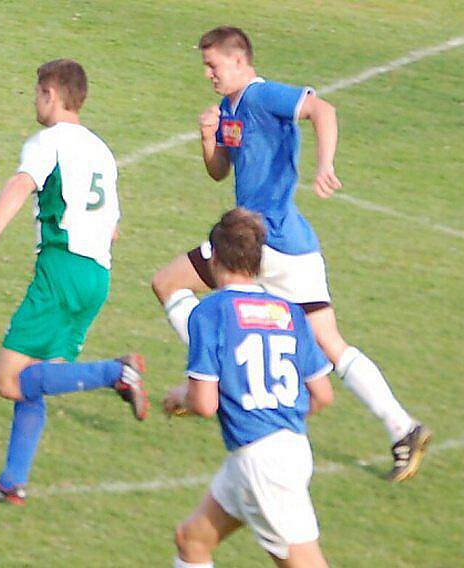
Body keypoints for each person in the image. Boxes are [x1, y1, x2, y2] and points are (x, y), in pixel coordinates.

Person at [152, 26, 429, 481]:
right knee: (330, 343)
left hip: (255, 240)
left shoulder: (263, 96)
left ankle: (211, 383)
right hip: (292, 248)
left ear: (240, 61)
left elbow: (323, 109)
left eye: (213, 65)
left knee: (166, 283)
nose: (208, 75)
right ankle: (403, 427)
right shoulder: (230, 107)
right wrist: (208, 138)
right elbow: (220, 170)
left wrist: (324, 166)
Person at [0, 59, 149, 505]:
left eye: (36, 93)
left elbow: (21, 182)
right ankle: (13, 481)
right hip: (96, 275)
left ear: (50, 93)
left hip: (61, 270)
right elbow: (113, 226)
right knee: (38, 378)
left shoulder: (49, 141)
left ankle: (117, 373)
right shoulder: (102, 151)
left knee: (10, 380)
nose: (34, 101)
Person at [163, 208, 335, 568]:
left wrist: (181, 397)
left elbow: (205, 403)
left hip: (262, 461)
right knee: (192, 539)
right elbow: (322, 394)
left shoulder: (210, 313)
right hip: (285, 448)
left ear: (213, 258)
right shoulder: (289, 312)